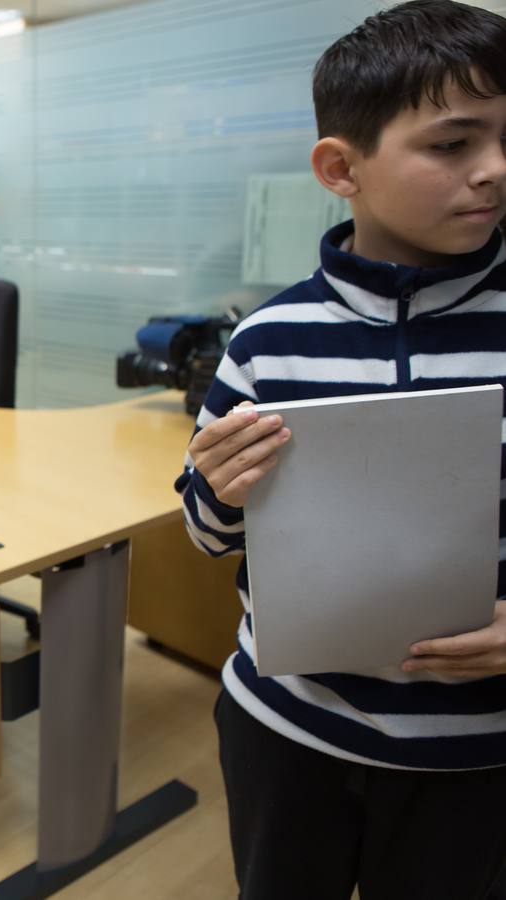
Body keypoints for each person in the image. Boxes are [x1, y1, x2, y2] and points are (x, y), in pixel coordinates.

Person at [175, 2, 506, 897]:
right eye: (453, 144)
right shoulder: (268, 341)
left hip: (473, 758)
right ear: (340, 169)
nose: (495, 171)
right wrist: (215, 487)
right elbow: (208, 535)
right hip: (290, 729)